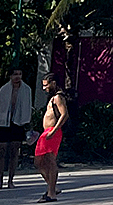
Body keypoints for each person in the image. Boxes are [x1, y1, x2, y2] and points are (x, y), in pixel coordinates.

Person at [0, 67, 35, 189]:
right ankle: (0, 180)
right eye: (15, 74)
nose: (17, 77)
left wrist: (29, 123)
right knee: (1, 151)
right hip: (3, 122)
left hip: (18, 122)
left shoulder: (26, 90)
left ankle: (11, 180)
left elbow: (28, 106)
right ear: (10, 76)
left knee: (14, 152)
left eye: (20, 74)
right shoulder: (4, 89)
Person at [32, 74, 68, 204]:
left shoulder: (58, 97)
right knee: (38, 161)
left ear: (53, 83)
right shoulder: (52, 98)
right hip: (46, 132)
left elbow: (64, 115)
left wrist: (54, 130)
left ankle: (51, 193)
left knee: (50, 160)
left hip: (52, 131)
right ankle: (52, 186)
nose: (44, 88)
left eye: (46, 85)